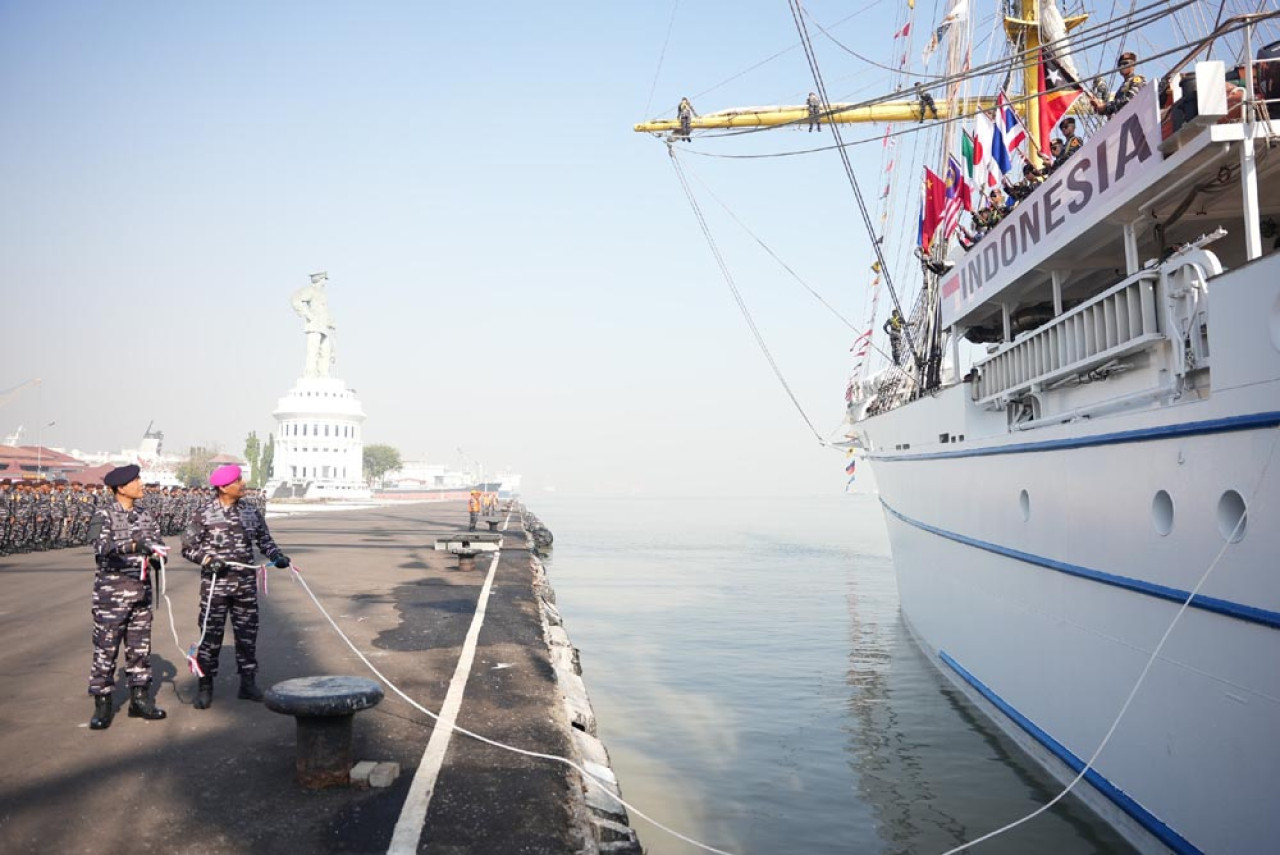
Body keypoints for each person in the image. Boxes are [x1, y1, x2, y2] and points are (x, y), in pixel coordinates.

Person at [181, 464, 290, 709]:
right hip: (215, 589)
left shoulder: (251, 512)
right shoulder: (203, 513)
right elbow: (188, 547)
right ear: (222, 487)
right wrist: (208, 561)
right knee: (210, 638)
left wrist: (277, 556)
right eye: (238, 481)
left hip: (245, 586)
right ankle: (205, 686)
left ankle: (248, 683)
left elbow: (265, 540)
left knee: (247, 636)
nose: (243, 484)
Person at [87, 464, 168, 730]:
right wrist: (133, 546)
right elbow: (100, 546)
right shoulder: (104, 514)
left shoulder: (146, 515)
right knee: (105, 651)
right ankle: (103, 704)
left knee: (140, 650)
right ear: (121, 488)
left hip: (140, 594)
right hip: (112, 597)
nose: (141, 484)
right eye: (136, 481)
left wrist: (157, 557)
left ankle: (140, 700)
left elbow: (156, 542)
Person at [1091, 52, 1146, 117]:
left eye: (1125, 63)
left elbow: (1129, 100)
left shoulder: (1137, 80)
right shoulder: (1122, 87)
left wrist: (1105, 107)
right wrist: (1100, 106)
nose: (1122, 66)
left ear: (1133, 65)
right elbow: (1116, 109)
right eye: (1120, 64)